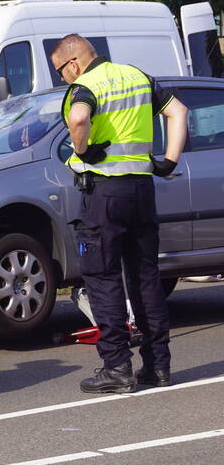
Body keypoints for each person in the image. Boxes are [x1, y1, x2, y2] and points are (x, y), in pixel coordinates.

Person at [51, 34, 188, 393]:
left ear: (74, 63)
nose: (63, 79)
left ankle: (117, 367)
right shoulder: (136, 75)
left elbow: (79, 119)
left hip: (104, 194)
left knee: (103, 277)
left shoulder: (86, 85)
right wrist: (169, 160)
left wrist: (84, 152)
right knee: (145, 277)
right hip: (142, 190)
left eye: (60, 72)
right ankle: (158, 366)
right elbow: (179, 111)